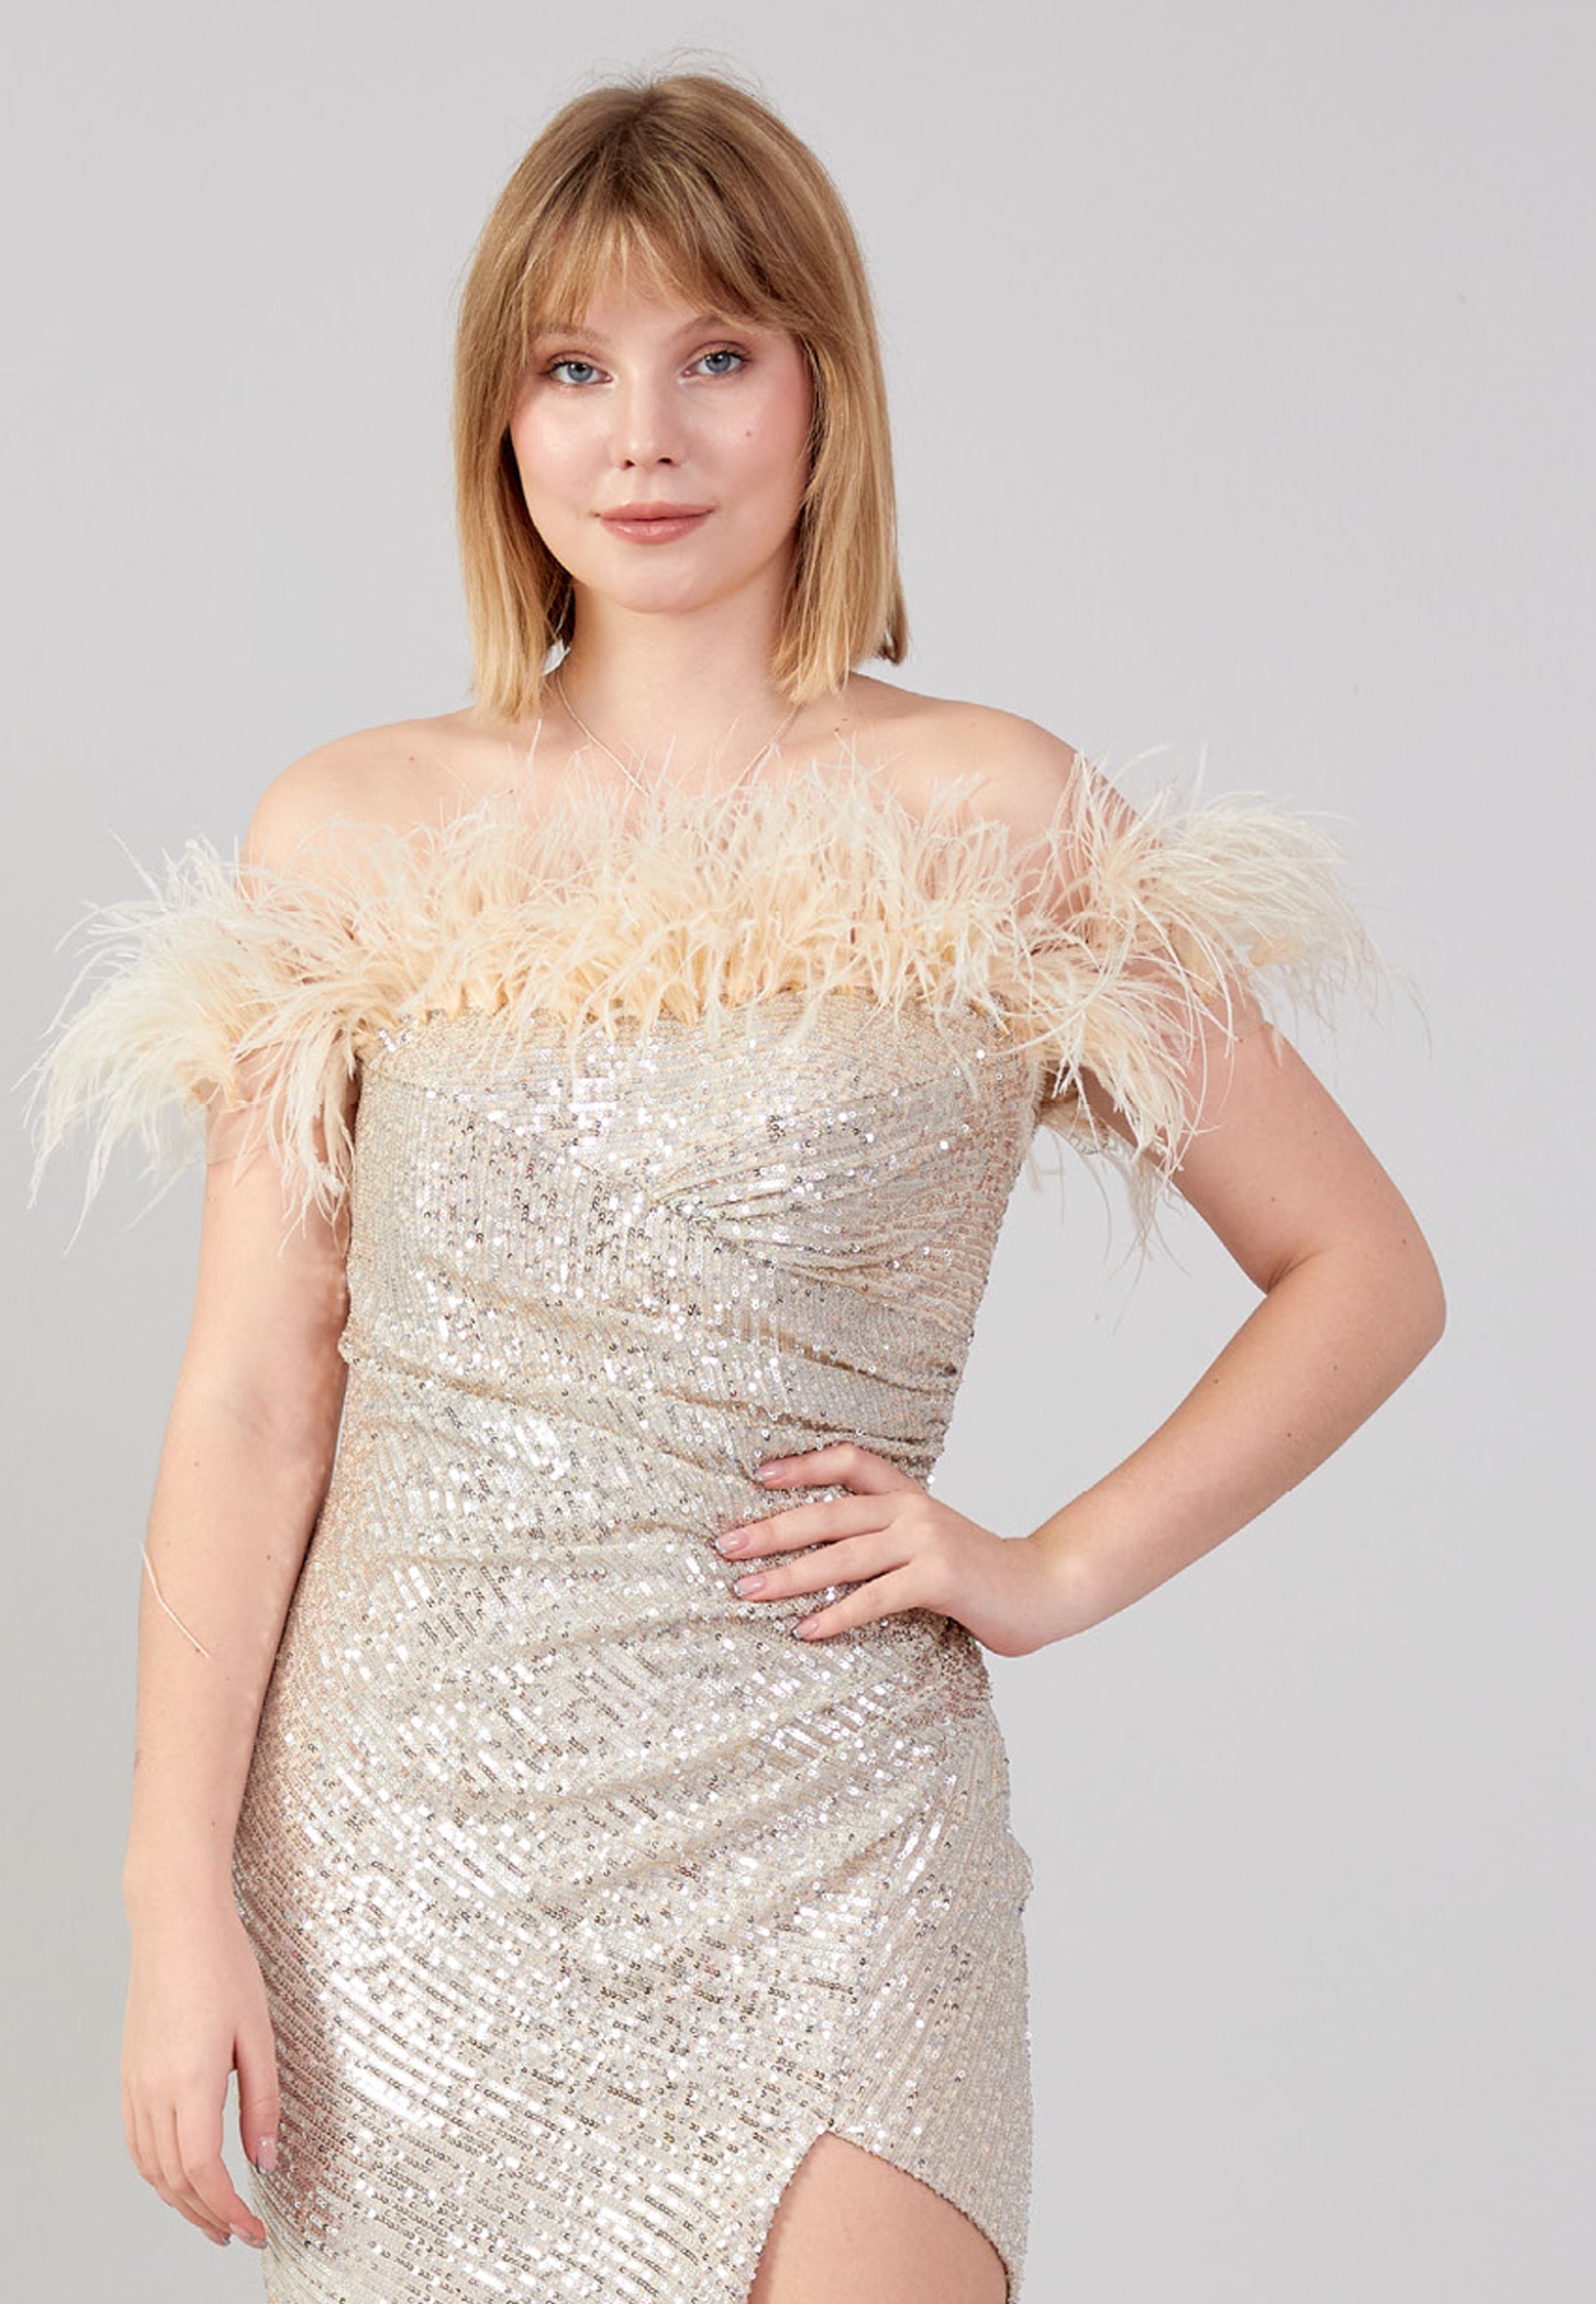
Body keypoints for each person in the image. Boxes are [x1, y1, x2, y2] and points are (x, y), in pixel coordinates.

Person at [22, 65, 1445, 2304]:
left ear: (820, 388)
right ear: (499, 419)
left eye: (714, 356)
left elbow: (1360, 1266)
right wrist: (170, 1891)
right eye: (571, 369)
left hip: (834, 1833)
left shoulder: (991, 812)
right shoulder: (352, 832)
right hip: (412, 1855)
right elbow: (252, 1401)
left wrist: (1048, 1568)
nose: (644, 440)